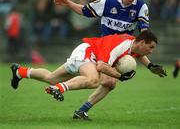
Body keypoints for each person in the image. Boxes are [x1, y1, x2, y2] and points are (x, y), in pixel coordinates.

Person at [53, 0, 167, 120]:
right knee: (95, 80)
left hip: (121, 50)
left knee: (109, 83)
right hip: (105, 48)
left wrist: (150, 66)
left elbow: (143, 41)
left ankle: (80, 109)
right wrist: (68, 3)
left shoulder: (141, 7)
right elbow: (85, 11)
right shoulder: (107, 2)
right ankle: (62, 89)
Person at [11, 31, 165, 119]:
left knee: (51, 77)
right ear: (142, 42)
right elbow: (101, 66)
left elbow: (140, 56)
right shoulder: (121, 46)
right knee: (93, 80)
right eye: (150, 47)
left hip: (88, 55)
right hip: (87, 53)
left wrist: (151, 66)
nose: (151, 51)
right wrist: (119, 76)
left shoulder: (132, 45)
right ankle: (59, 88)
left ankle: (20, 72)